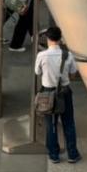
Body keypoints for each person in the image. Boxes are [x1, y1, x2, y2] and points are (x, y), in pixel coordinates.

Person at [35, 27, 82, 164]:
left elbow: (37, 72)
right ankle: (72, 154)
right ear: (60, 39)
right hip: (64, 92)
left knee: (51, 124)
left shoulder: (42, 55)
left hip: (47, 92)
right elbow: (73, 73)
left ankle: (53, 154)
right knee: (68, 123)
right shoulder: (68, 55)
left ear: (48, 39)